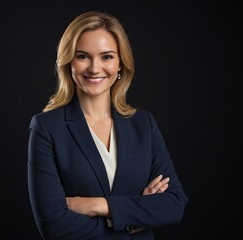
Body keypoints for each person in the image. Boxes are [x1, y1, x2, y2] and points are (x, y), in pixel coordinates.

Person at [27, 10, 188, 240]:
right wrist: (135, 218)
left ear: (121, 64)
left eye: (106, 57)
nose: (94, 68)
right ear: (68, 62)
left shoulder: (144, 125)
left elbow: (174, 204)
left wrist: (97, 206)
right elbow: (54, 227)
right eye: (83, 56)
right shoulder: (46, 128)